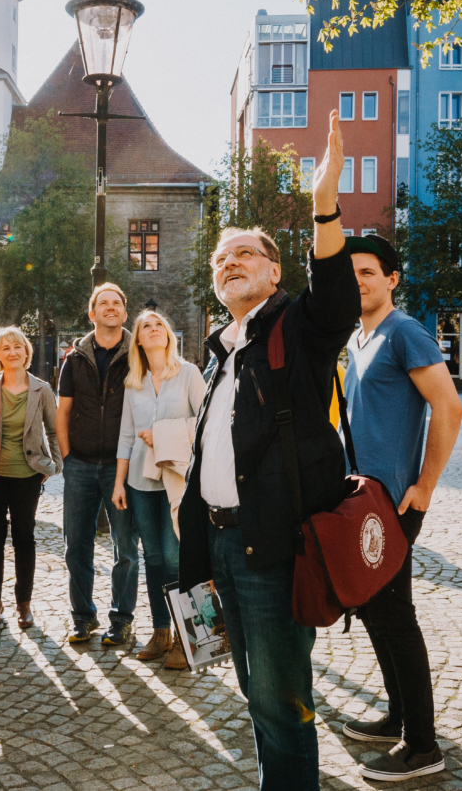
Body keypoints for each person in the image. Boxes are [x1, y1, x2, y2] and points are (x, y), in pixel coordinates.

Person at [175, 109, 358, 790]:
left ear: (274, 270)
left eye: (243, 254)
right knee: (257, 696)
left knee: (282, 704)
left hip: (274, 549)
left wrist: (324, 201)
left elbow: (337, 302)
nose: (229, 265)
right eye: (221, 261)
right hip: (223, 547)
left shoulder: (295, 329)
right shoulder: (225, 351)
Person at [333, 234, 462, 781]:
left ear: (392, 279)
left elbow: (449, 407)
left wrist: (426, 485)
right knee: (372, 608)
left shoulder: (404, 331)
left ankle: (422, 745)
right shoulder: (359, 337)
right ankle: (398, 715)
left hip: (392, 502)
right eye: (352, 273)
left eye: (369, 272)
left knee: (394, 616)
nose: (359, 281)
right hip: (362, 499)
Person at [109, 309, 206, 669]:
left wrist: (164, 433)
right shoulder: (134, 382)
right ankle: (161, 631)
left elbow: (206, 422)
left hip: (176, 480)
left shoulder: (189, 374)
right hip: (139, 480)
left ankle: (188, 637)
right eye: (145, 326)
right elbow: (125, 435)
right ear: (137, 339)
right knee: (152, 559)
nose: (152, 329)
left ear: (168, 334)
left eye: (158, 325)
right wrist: (119, 483)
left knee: (174, 556)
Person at [55, 283, 134, 645]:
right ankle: (83, 616)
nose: (111, 307)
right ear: (92, 313)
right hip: (81, 465)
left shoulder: (138, 354)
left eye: (117, 302)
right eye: (104, 303)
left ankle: (122, 619)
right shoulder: (74, 358)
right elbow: (63, 412)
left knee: (126, 548)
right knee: (77, 545)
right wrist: (68, 458)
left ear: (125, 311)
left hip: (123, 466)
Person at [0, 326, 61, 632]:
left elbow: (53, 431)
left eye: (18, 347)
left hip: (28, 474)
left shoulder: (41, 389)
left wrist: (53, 468)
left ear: (26, 352)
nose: (12, 353)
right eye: (5, 348)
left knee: (24, 538)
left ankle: (23, 604)